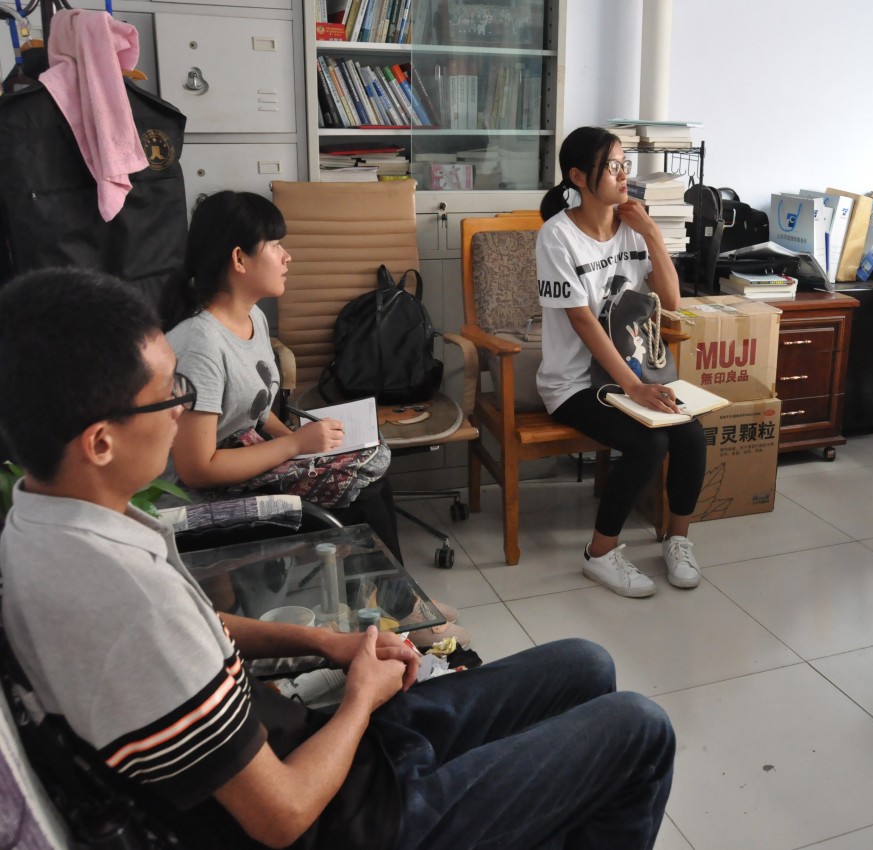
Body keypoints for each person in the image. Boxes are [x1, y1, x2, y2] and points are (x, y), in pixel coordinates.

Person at [0, 267, 675, 850]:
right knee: (639, 730)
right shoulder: (125, 606)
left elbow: (199, 631)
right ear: (100, 443)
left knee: (587, 664)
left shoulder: (41, 524)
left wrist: (328, 643)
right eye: (170, 395)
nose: (184, 409)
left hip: (329, 754)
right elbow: (283, 815)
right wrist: (359, 701)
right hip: (354, 819)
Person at [160, 190, 466, 646]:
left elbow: (256, 411)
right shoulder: (200, 344)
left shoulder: (251, 318)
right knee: (359, 490)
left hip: (250, 461)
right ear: (239, 259)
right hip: (208, 496)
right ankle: (398, 612)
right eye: (275, 245)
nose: (287, 256)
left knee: (370, 460)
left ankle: (394, 601)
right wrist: (296, 446)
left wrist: (301, 440)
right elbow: (196, 469)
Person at [536, 126, 707, 597]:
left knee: (691, 435)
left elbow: (671, 300)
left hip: (637, 373)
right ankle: (600, 553)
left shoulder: (633, 229)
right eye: (612, 166)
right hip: (575, 384)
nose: (623, 174)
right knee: (649, 443)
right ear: (578, 176)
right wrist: (633, 388)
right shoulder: (557, 236)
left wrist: (651, 232)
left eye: (624, 164)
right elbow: (582, 322)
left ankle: (677, 541)